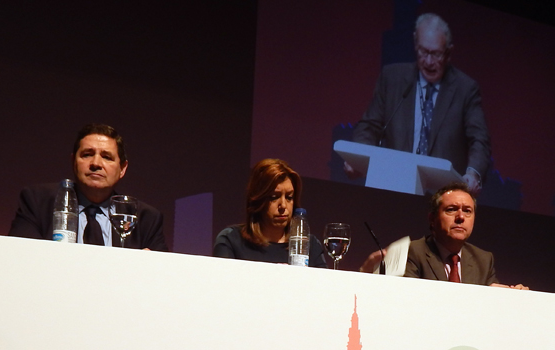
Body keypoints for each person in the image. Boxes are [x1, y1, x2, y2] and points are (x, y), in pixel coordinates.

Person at [349, 13, 490, 195]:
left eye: (436, 54)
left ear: (449, 52)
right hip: (393, 190)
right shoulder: (392, 79)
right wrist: (358, 157)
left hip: (443, 198)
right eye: (424, 52)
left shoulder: (465, 89)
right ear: (415, 45)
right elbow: (370, 126)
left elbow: (480, 140)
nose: (429, 61)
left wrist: (473, 173)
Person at [9, 123, 167, 251]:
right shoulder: (38, 202)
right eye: (87, 154)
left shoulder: (145, 218)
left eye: (106, 157)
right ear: (73, 162)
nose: (96, 164)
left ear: (122, 169)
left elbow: (163, 277)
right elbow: (19, 256)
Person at [361, 183, 525, 289]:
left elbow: (491, 297)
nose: (461, 217)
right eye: (452, 209)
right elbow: (406, 300)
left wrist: (509, 293)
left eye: (467, 211)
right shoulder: (412, 252)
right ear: (432, 219)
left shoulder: (483, 259)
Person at [213, 159, 327, 267]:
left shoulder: (309, 245)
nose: (283, 205)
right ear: (258, 199)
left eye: (289, 197)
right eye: (273, 197)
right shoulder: (231, 240)